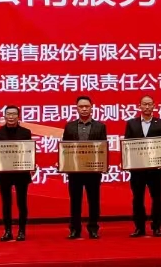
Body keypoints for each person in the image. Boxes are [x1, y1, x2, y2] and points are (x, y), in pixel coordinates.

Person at [62, 96, 108, 239]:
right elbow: (65, 148)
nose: (84, 109)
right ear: (76, 108)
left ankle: (93, 228)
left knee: (94, 200)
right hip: (75, 171)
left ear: (91, 108)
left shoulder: (100, 126)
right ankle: (74, 229)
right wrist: (63, 162)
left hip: (93, 170)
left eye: (86, 106)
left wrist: (103, 164)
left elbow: (103, 148)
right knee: (75, 201)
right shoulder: (69, 126)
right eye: (81, 106)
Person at [124, 95, 161, 237]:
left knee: (157, 198)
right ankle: (139, 228)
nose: (147, 107)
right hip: (137, 169)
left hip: (155, 169)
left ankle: (157, 227)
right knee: (138, 199)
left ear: (154, 106)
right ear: (139, 106)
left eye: (149, 104)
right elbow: (127, 144)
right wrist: (127, 161)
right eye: (144, 104)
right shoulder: (132, 123)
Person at [0, 105, 32, 242]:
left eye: (14, 114)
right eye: (8, 114)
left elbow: (28, 151)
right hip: (4, 173)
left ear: (18, 116)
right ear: (4, 116)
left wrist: (31, 163)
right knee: (6, 203)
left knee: (22, 203)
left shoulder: (26, 132)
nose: (11, 116)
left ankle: (22, 231)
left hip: (21, 173)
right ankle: (8, 231)